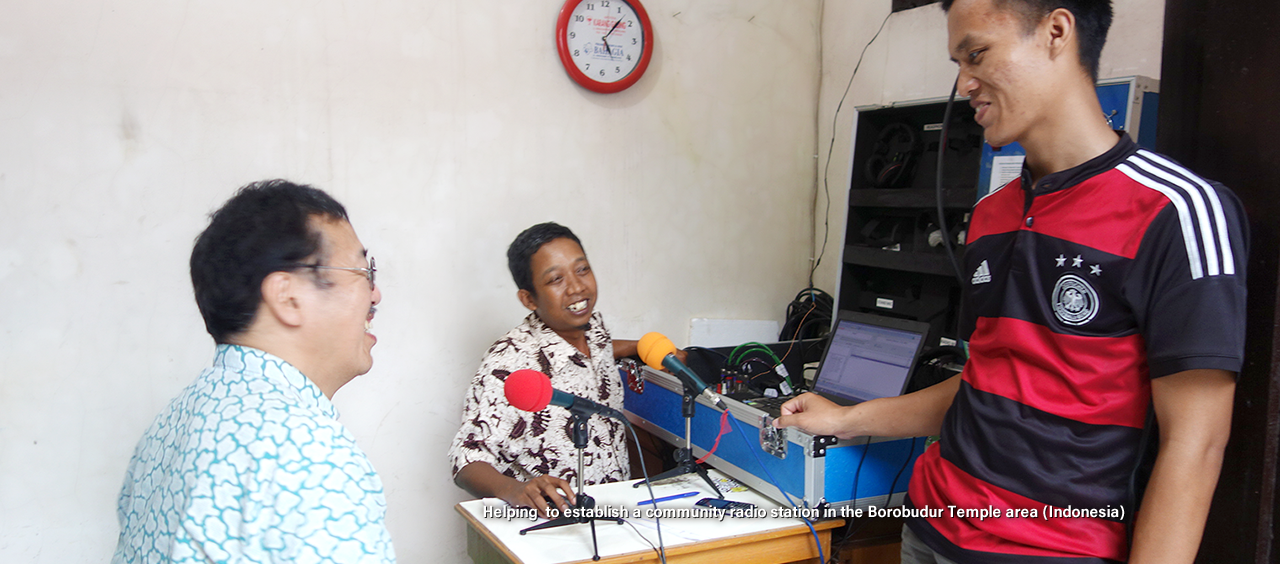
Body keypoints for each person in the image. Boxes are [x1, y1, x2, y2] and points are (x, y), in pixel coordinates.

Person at [775, 1, 1247, 563]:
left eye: (976, 54)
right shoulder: (992, 213)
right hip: (929, 527)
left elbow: (1196, 445)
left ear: (1056, 32)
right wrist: (848, 419)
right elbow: (985, 380)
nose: (964, 85)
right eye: (958, 63)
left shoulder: (1177, 211)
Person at [113, 180, 395, 563]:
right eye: (363, 271)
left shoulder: (172, 423)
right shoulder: (309, 455)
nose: (375, 294)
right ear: (287, 297)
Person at [448, 222, 643, 517]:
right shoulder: (509, 363)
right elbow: (466, 460)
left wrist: (638, 347)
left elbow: (596, 350)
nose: (577, 288)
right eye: (555, 279)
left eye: (582, 270)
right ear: (529, 299)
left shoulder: (593, 329)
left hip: (616, 515)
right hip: (555, 524)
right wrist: (514, 490)